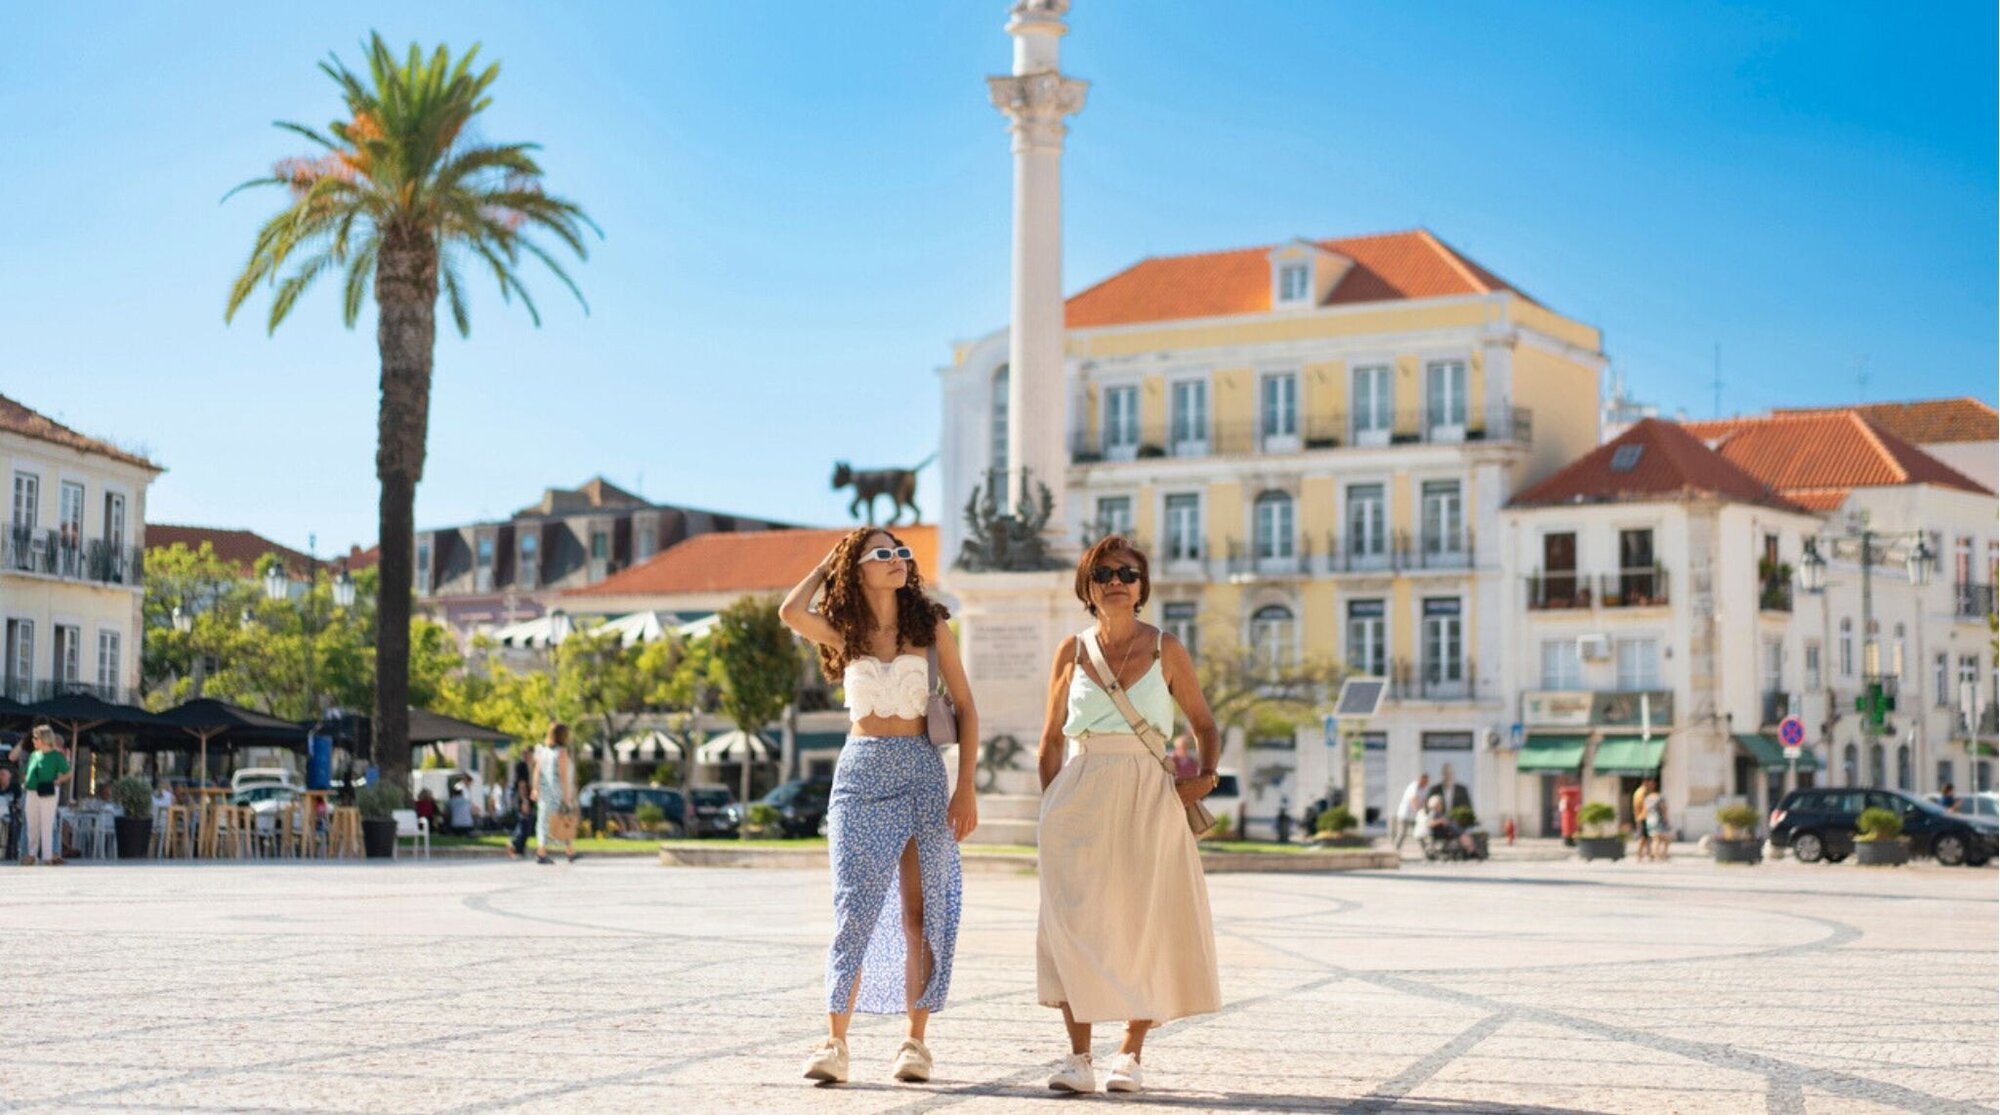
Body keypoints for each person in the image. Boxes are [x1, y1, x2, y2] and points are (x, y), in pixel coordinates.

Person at [780, 527, 978, 1087]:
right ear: (858, 568)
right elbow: (789, 611)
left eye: (902, 553)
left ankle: (915, 1043)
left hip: (920, 770)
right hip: (860, 773)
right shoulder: (844, 631)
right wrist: (827, 563)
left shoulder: (931, 626)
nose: (897, 561)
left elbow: (965, 705)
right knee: (854, 910)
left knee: (921, 912)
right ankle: (834, 1043)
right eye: (883, 554)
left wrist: (965, 787)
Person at [1036, 535, 1222, 1095]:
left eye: (1128, 573)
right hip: (1078, 793)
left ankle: (1131, 1055)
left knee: (1144, 922)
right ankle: (1078, 1058)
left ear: (1142, 588)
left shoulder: (1167, 648)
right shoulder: (1070, 650)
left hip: (1148, 793)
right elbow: (1048, 741)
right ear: (1087, 587)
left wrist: (1204, 778)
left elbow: (1205, 725)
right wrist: (1050, 804)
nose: (1116, 580)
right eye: (1104, 573)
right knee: (1072, 924)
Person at [16, 726, 73, 865]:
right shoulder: (34, 755)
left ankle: (47, 856)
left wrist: (57, 781)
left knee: (47, 824)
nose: (33, 740)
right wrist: (25, 782)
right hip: (31, 791)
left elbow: (68, 773)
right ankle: (31, 855)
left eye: (36, 738)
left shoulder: (56, 756)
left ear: (44, 739)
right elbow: (27, 771)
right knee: (31, 824)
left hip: (48, 791)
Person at [532, 724, 578, 865]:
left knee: (542, 823)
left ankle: (542, 853)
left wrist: (535, 789)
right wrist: (566, 797)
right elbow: (563, 776)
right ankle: (570, 851)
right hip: (557, 792)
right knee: (565, 820)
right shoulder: (562, 752)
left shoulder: (543, 751)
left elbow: (537, 771)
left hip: (545, 794)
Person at [508, 748, 535, 860]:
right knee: (524, 824)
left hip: (528, 799)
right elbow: (521, 784)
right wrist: (524, 800)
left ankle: (520, 849)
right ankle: (514, 845)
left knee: (526, 824)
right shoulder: (522, 766)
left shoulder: (529, 766)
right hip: (523, 799)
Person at [1394, 772, 1431, 852]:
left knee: (1419, 833)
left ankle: (1427, 852)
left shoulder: (1424, 789)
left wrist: (1426, 812)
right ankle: (1395, 851)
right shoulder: (1413, 787)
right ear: (1421, 780)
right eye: (1425, 782)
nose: (1426, 784)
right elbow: (1414, 801)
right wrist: (1420, 811)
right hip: (1404, 815)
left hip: (1415, 816)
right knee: (1402, 834)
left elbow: (1424, 802)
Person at [1644, 784, 1670, 861]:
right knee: (1663, 839)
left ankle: (1655, 854)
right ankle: (1660, 855)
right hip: (1659, 820)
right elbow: (1663, 809)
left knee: (1655, 838)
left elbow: (1645, 810)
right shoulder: (1660, 798)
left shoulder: (1647, 798)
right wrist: (1666, 819)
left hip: (1650, 819)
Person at [0, 765, 19, 862]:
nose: (2, 776)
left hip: (11, 812)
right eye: (1, 774)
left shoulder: (15, 787)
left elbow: (19, 802)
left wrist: (17, 806)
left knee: (13, 822)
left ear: (9, 776)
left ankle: (12, 853)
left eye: (4, 774)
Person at [1632, 778, 1654, 862]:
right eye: (1651, 783)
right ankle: (1639, 855)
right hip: (1642, 817)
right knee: (1643, 837)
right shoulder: (1642, 792)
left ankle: (1649, 854)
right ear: (1646, 782)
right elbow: (1645, 805)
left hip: (1640, 817)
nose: (1652, 785)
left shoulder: (1639, 791)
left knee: (1647, 837)